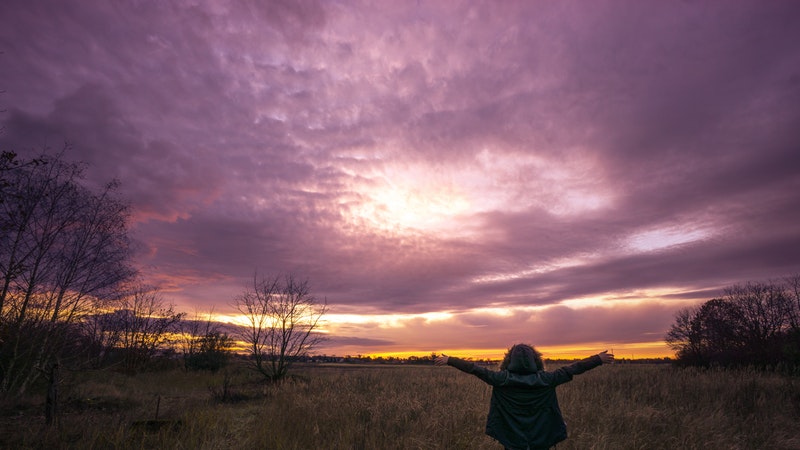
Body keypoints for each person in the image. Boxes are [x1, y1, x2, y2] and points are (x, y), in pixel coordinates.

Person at [435, 344, 614, 450]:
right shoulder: (547, 379)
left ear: (509, 360)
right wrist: (598, 358)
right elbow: (574, 368)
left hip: (511, 438)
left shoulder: (501, 379)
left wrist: (450, 359)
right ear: (536, 360)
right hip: (542, 437)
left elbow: (474, 369)